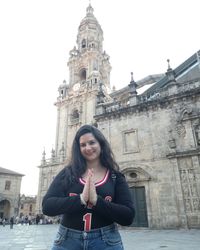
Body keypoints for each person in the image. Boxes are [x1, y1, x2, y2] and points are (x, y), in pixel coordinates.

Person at [42, 124, 135, 250]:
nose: (88, 148)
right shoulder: (68, 173)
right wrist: (81, 199)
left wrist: (97, 201)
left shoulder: (115, 177)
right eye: (83, 145)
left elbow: (128, 216)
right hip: (68, 241)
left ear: (101, 144)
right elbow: (47, 206)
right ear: (78, 148)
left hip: (106, 242)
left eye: (92, 142)